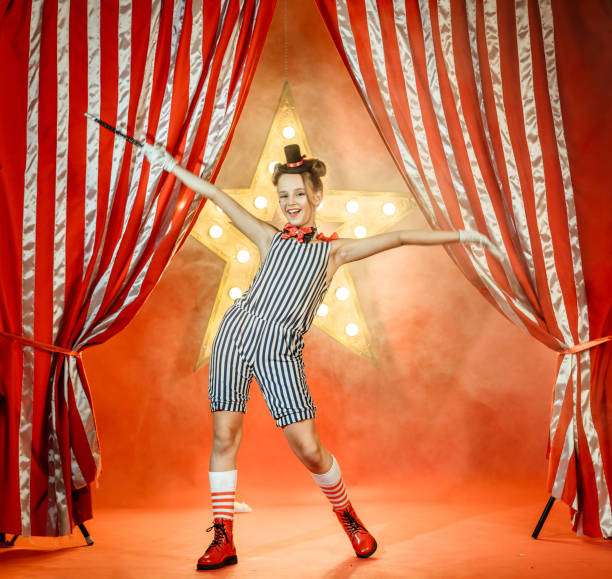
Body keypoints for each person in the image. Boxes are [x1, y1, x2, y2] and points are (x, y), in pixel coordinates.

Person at [141, 142, 502, 571]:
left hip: (280, 350)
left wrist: (463, 235)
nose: (290, 203)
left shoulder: (333, 252)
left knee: (309, 449)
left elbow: (401, 236)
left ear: (315, 195)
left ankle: (347, 514)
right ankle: (223, 536)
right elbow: (216, 195)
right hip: (235, 335)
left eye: (297, 194)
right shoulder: (268, 237)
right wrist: (171, 166)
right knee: (224, 438)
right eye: (283, 196)